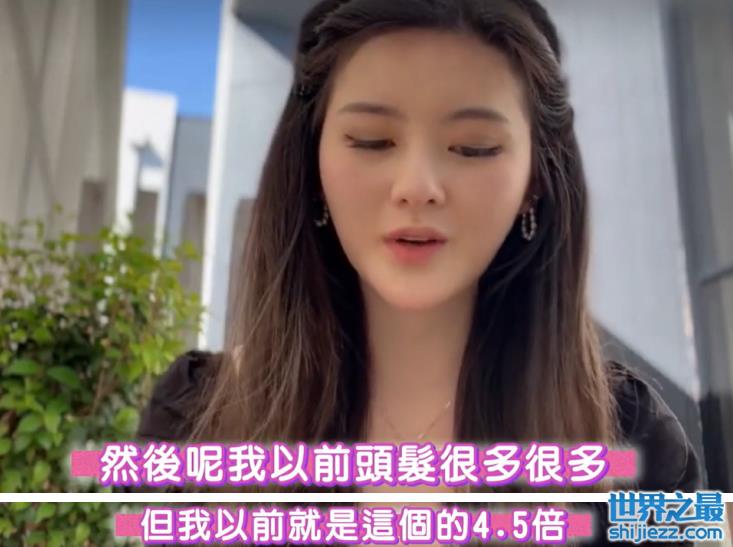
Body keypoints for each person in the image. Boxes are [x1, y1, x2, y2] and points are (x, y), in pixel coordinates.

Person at [137, 0, 702, 544]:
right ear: (312, 164)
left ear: (535, 179)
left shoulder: (637, 445)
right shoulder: (191, 428)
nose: (417, 187)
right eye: (372, 140)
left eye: (473, 147)